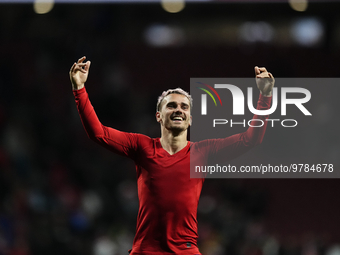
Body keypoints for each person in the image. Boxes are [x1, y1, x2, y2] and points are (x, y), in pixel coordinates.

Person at [69, 56, 275, 255]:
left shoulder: (202, 151)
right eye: (171, 105)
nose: (179, 110)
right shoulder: (142, 146)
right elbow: (99, 133)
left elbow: (251, 139)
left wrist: (265, 96)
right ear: (158, 115)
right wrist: (79, 89)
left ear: (190, 119)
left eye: (184, 107)